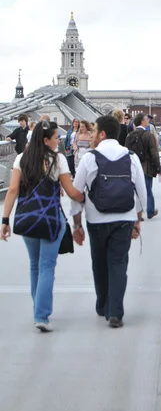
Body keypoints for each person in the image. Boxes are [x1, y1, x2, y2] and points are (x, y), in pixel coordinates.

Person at [0, 121, 84, 332]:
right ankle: (41, 315)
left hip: (28, 220)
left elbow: (12, 190)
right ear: (46, 140)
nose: (58, 141)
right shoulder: (58, 160)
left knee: (35, 265)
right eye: (56, 138)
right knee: (47, 266)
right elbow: (71, 192)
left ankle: (38, 309)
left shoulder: (22, 158)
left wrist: (5, 220)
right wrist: (86, 196)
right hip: (51, 221)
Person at [71, 115, 146, 328]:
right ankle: (115, 312)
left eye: (94, 131)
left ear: (102, 134)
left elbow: (77, 194)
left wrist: (77, 224)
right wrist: (137, 220)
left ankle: (102, 304)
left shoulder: (89, 158)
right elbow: (141, 192)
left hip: (96, 219)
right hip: (124, 217)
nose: (92, 135)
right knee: (119, 263)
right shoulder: (130, 157)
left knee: (100, 262)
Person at [125, 113, 161, 220]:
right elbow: (154, 153)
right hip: (146, 166)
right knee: (148, 190)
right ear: (142, 121)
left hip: (133, 166)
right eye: (146, 119)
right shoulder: (148, 135)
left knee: (135, 191)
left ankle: (137, 213)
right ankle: (150, 211)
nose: (148, 121)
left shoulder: (129, 136)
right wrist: (158, 167)